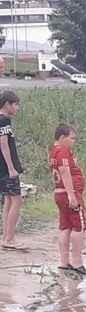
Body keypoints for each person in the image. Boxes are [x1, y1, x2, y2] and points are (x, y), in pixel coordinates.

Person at [49, 123, 86, 274]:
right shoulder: (64, 151)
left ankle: (64, 261)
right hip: (68, 194)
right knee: (79, 225)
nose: (73, 142)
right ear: (62, 137)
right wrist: (72, 196)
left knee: (65, 226)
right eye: (72, 138)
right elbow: (64, 172)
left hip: (59, 193)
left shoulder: (54, 151)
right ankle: (76, 261)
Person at [0, 90, 25, 251]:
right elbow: (3, 144)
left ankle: (6, 235)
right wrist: (11, 167)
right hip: (6, 168)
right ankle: (9, 238)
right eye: (15, 104)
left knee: (9, 200)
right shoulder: (4, 122)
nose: (17, 108)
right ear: (7, 104)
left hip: (2, 169)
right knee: (17, 199)